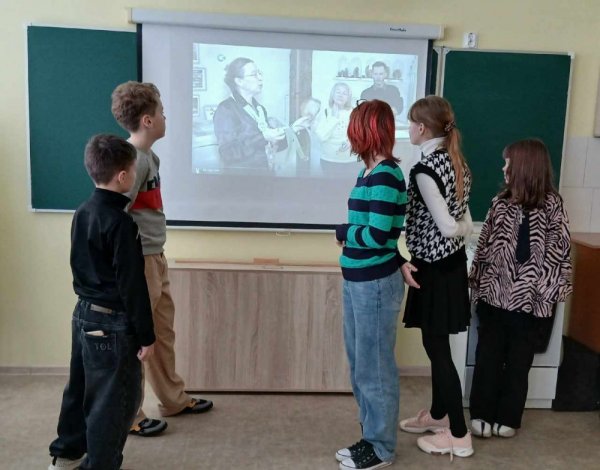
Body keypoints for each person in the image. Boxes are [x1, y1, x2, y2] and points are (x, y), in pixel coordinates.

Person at [111, 81, 214, 438]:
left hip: (155, 257)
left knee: (161, 333)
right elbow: (116, 213)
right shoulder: (132, 161)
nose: (166, 118)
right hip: (140, 262)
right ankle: (130, 413)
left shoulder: (149, 158)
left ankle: (172, 398)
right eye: (162, 113)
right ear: (148, 120)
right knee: (137, 339)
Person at [48, 135, 156, 470]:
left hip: (83, 314)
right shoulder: (121, 223)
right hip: (112, 324)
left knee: (79, 389)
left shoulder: (83, 211)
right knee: (115, 402)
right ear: (123, 177)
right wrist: (146, 335)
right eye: (133, 171)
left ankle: (65, 456)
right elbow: (131, 284)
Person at [468, 139, 572, 438]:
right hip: (494, 298)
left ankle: (509, 417)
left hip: (530, 303)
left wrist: (543, 297)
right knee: (488, 356)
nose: (504, 169)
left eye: (508, 163)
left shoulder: (553, 206)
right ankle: (481, 413)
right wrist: (477, 286)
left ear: (525, 167)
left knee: (518, 362)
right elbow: (484, 248)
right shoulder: (500, 202)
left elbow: (559, 255)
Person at [398, 95, 475, 458]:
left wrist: (458, 228)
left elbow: (447, 225)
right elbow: (465, 220)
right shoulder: (457, 162)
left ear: (422, 128)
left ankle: (458, 433)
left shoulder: (425, 169)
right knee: (436, 346)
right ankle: (439, 414)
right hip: (452, 265)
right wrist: (462, 229)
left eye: (411, 123)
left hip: (435, 269)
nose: (409, 129)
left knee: (438, 351)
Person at [334, 99, 408, 470]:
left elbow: (378, 235)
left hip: (375, 284)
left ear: (364, 129)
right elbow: (376, 233)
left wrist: (344, 232)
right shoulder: (367, 173)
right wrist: (351, 234)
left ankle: (381, 448)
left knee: (375, 369)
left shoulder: (386, 175)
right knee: (360, 366)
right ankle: (370, 437)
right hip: (358, 281)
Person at [212, 57, 308, 171]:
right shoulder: (226, 109)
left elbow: (274, 145)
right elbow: (228, 154)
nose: (260, 78)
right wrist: (263, 137)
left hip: (264, 171)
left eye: (260, 73)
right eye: (254, 75)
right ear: (239, 81)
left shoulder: (260, 109)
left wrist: (293, 130)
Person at [314, 82, 356, 176]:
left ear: (348, 97)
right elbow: (322, 136)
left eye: (344, 93)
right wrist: (334, 119)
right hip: (329, 161)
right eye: (338, 92)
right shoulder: (324, 112)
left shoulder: (354, 112)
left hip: (350, 161)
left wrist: (351, 142)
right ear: (332, 94)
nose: (341, 95)